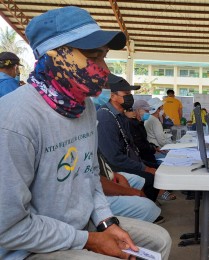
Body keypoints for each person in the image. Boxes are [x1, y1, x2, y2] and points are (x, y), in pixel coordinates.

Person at [0, 6, 171, 260]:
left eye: (103, 56)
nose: (103, 69)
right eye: (93, 56)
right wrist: (90, 241)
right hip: (30, 246)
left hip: (81, 227)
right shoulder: (16, 119)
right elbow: (8, 228)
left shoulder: (84, 107)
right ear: (54, 57)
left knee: (160, 241)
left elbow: (90, 177)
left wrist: (106, 223)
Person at [97, 74, 160, 202]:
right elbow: (113, 157)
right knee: (150, 177)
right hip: (114, 166)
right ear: (112, 96)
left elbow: (130, 145)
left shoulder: (121, 116)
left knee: (158, 169)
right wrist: (144, 168)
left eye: (130, 93)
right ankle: (144, 205)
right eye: (126, 93)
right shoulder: (105, 117)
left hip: (128, 159)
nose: (130, 96)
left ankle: (148, 202)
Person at [98, 154, 163, 224]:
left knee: (140, 180)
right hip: (98, 193)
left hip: (108, 178)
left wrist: (119, 176)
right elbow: (98, 182)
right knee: (149, 207)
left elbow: (104, 167)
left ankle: (139, 208)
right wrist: (130, 191)